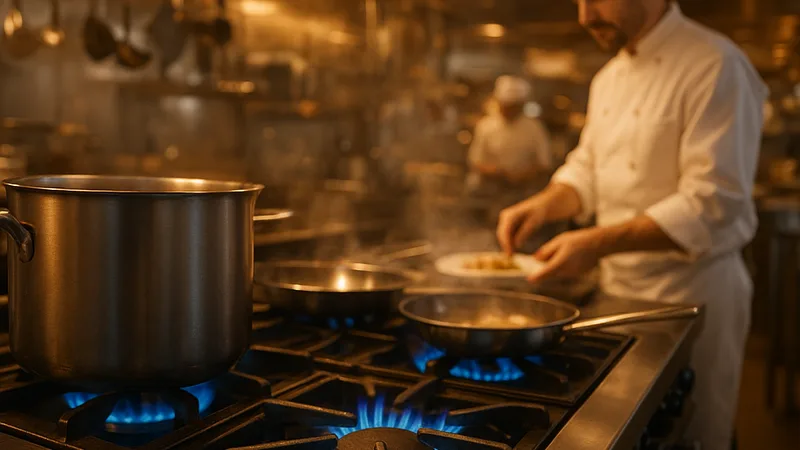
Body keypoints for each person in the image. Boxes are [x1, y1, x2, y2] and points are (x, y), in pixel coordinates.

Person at [496, 2, 767, 450]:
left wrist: (595, 243)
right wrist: (544, 204)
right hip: (617, 299)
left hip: (692, 299)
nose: (585, 17)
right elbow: (588, 171)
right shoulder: (609, 78)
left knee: (692, 435)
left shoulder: (715, 65)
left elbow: (713, 202)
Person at [466, 75, 553, 203]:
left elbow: (544, 164)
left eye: (513, 106)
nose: (508, 110)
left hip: (524, 193)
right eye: (505, 106)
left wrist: (523, 175)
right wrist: (498, 172)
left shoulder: (535, 128)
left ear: (521, 105)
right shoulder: (485, 126)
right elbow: (476, 162)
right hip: (489, 191)